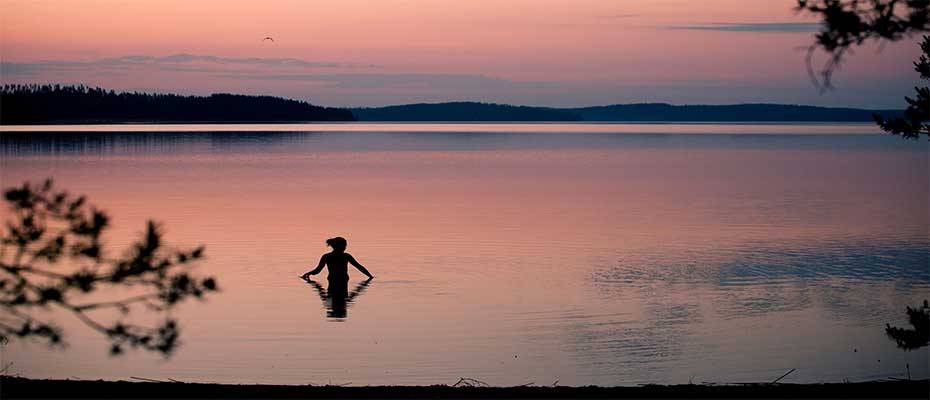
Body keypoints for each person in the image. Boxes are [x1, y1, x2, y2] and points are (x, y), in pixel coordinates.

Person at [301, 237, 374, 282]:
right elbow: (359, 267)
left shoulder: (326, 256)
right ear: (340, 246)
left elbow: (317, 271)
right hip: (343, 279)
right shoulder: (346, 256)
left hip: (332, 279)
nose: (345, 247)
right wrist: (370, 277)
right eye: (344, 246)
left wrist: (307, 274)